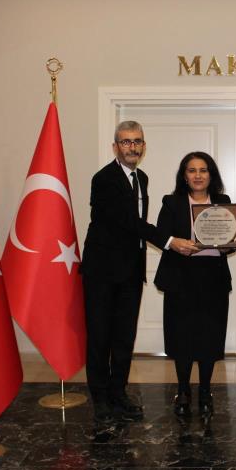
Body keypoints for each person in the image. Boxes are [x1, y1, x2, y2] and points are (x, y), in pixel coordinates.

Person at [81, 121, 197, 422]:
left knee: (124, 337)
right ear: (115, 147)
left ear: (143, 146)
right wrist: (170, 241)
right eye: (126, 142)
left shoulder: (141, 177)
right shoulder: (104, 179)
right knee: (100, 338)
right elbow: (128, 222)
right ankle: (101, 399)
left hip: (131, 271)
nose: (132, 147)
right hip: (102, 272)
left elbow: (136, 226)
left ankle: (119, 394)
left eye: (137, 141)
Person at [154, 151, 233, 418]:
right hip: (180, 277)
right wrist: (175, 243)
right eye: (192, 170)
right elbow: (161, 236)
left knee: (210, 337)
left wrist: (229, 244)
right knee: (182, 337)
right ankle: (183, 389)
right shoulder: (172, 202)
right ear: (184, 176)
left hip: (213, 279)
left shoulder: (223, 202)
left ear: (211, 175)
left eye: (203, 170)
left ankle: (206, 390)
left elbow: (232, 239)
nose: (198, 175)